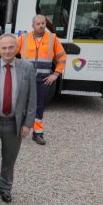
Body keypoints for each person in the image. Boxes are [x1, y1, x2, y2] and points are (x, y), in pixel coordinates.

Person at [0, 34, 36, 203]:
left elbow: (32, 99)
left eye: (11, 47)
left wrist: (28, 124)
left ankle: (5, 188)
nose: (7, 51)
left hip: (14, 124)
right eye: (4, 48)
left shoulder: (27, 68)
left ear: (16, 48)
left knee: (9, 160)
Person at [17, 14, 66, 145]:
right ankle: (19, 130)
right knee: (21, 104)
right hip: (26, 79)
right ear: (32, 26)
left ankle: (37, 134)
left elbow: (62, 57)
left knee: (39, 107)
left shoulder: (52, 39)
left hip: (43, 80)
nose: (41, 26)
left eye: (43, 23)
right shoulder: (23, 38)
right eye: (38, 23)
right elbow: (10, 54)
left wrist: (55, 74)